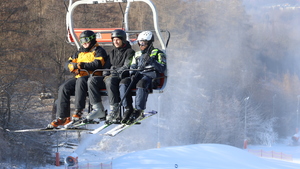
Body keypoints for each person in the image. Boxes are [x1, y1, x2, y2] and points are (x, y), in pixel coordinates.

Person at [47, 30, 108, 128]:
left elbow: (98, 64)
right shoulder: (79, 52)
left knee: (81, 81)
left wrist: (82, 65)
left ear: (92, 40)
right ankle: (63, 117)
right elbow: (67, 63)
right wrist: (72, 66)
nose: (84, 43)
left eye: (86, 40)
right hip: (80, 76)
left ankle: (78, 112)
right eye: (82, 41)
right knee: (64, 87)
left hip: (93, 77)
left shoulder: (98, 50)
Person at [119, 31, 166, 124]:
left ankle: (138, 110)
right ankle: (128, 108)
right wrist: (132, 74)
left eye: (143, 43)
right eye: (139, 43)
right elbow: (132, 66)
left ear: (149, 43)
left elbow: (162, 68)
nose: (141, 45)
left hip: (150, 77)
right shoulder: (137, 54)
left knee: (141, 83)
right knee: (124, 82)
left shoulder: (157, 53)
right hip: (138, 75)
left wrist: (152, 61)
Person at [102, 29, 135, 124]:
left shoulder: (129, 52)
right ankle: (97, 109)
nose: (115, 42)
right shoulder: (112, 52)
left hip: (122, 77)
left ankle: (115, 110)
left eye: (117, 40)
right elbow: (106, 67)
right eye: (113, 40)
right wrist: (106, 73)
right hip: (112, 76)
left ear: (123, 40)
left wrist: (114, 72)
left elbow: (126, 66)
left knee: (110, 80)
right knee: (92, 81)